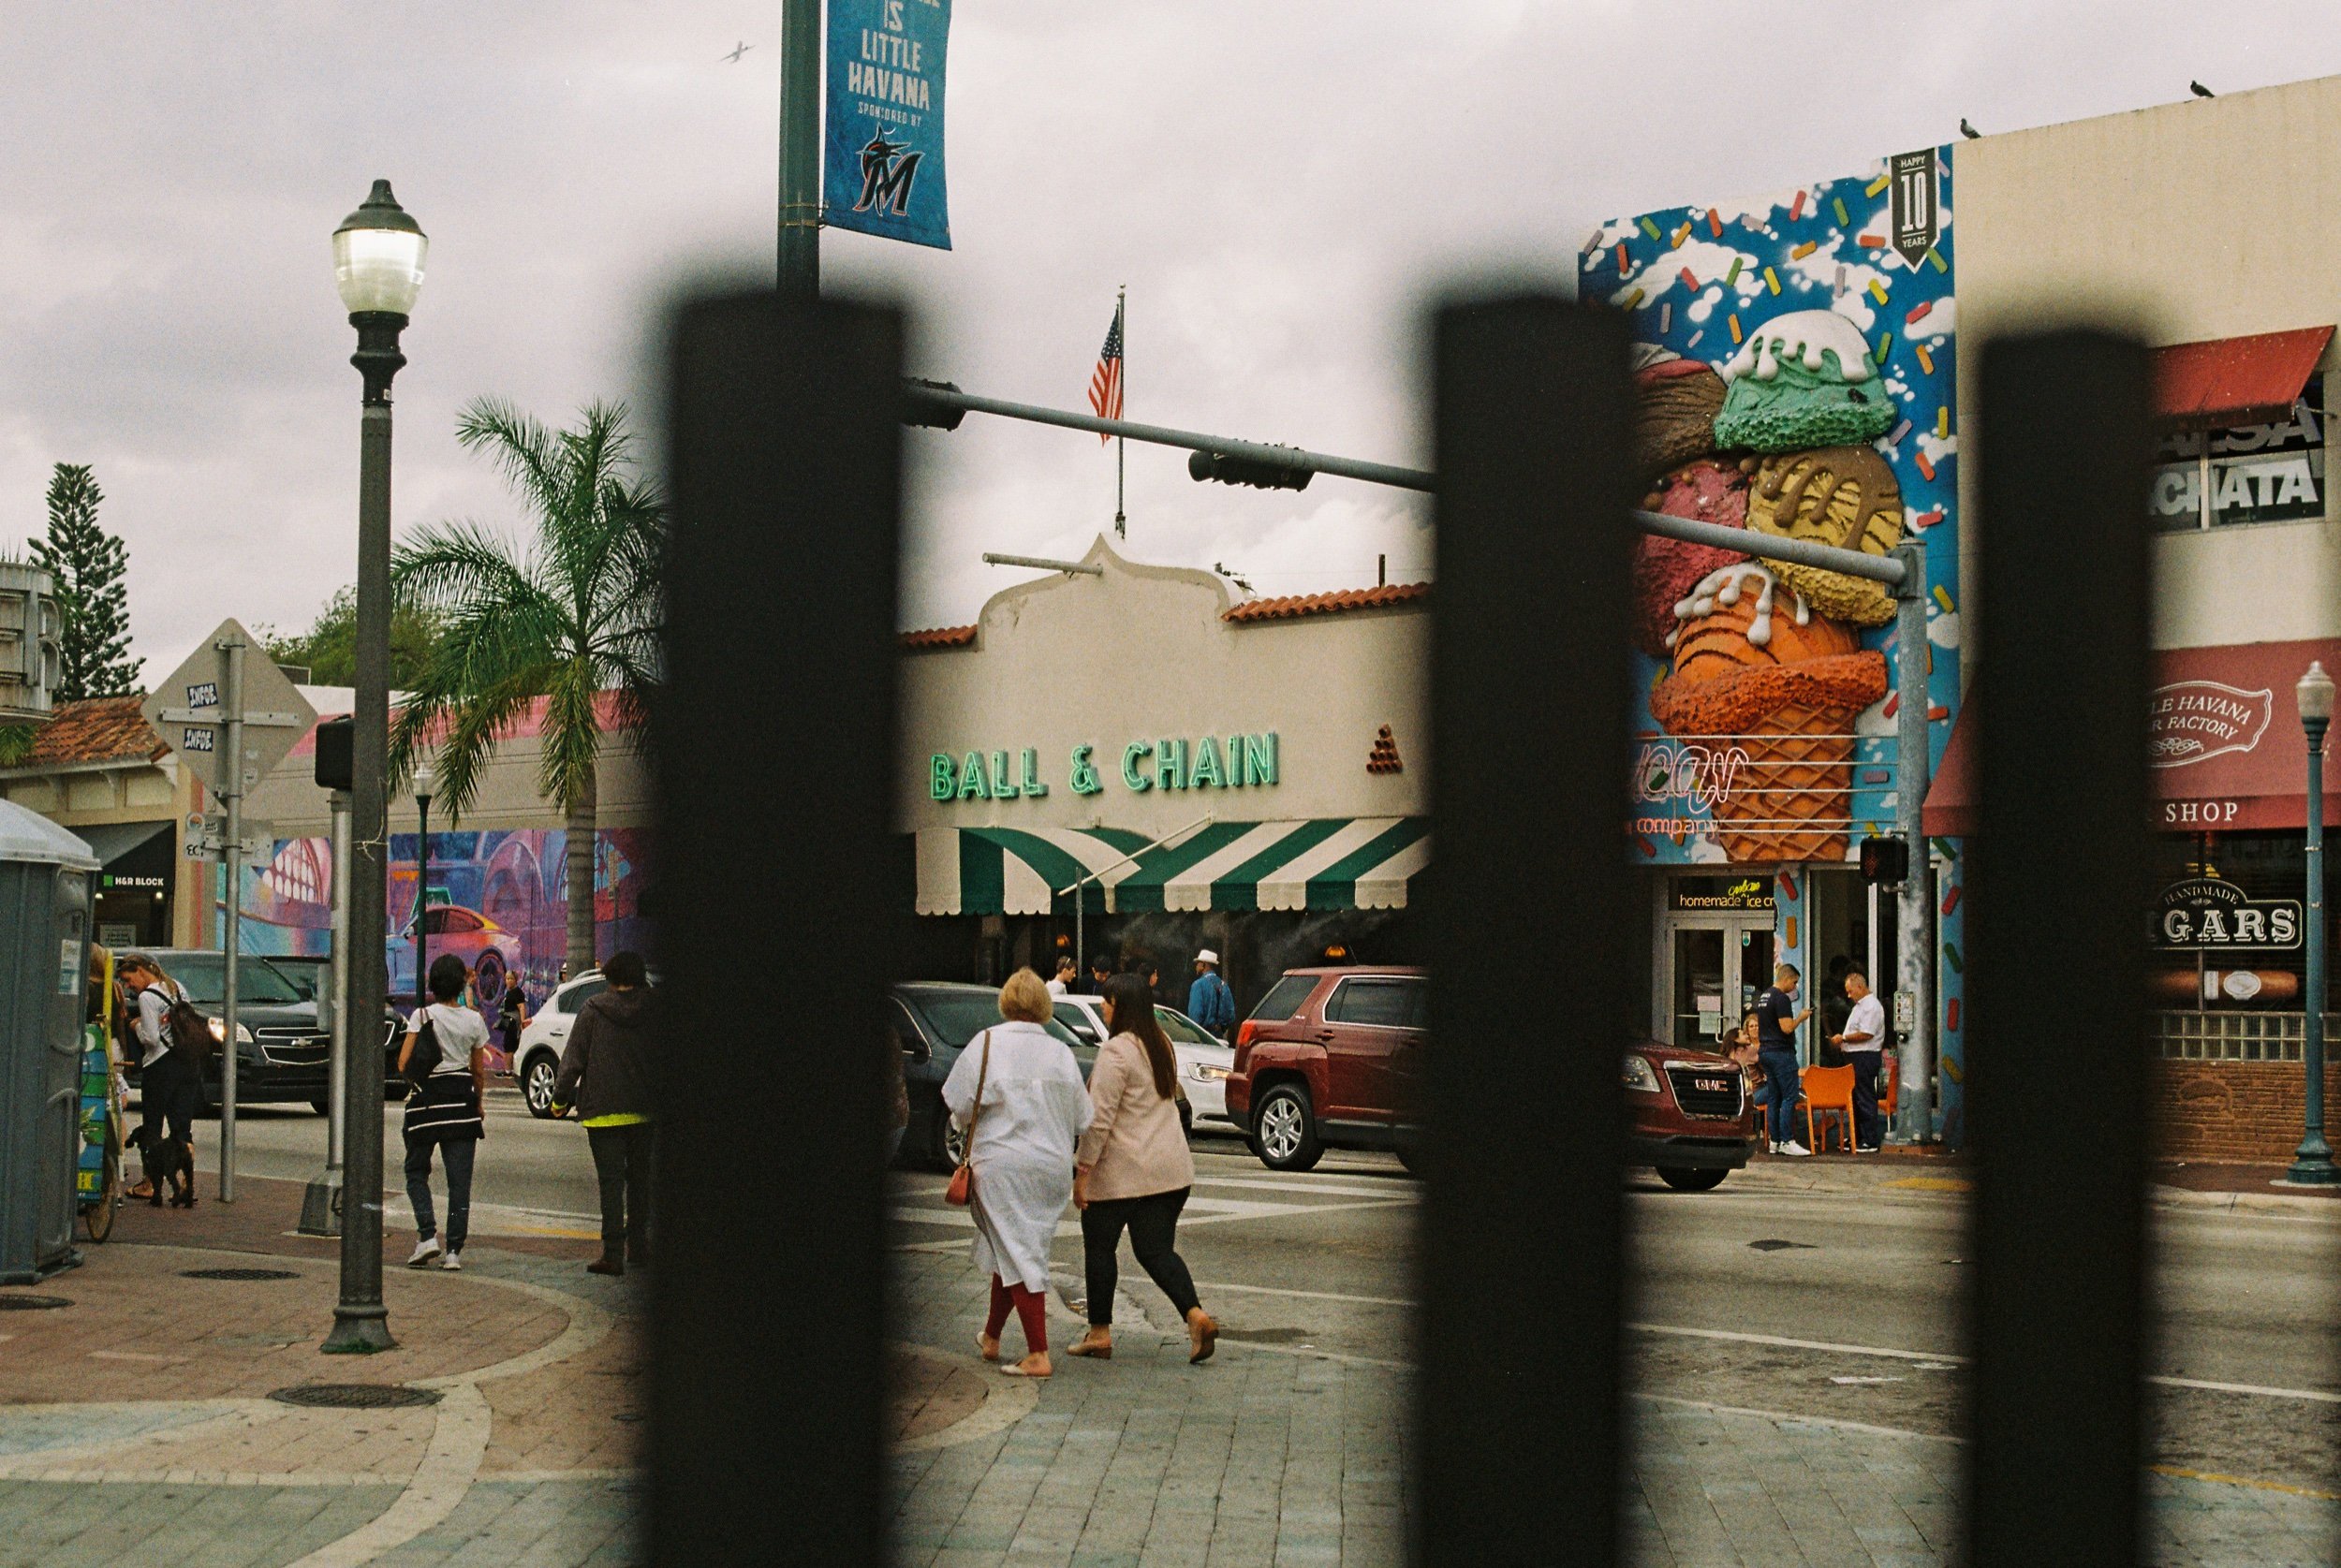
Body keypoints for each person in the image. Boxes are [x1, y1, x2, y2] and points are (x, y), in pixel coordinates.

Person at [942, 968, 1092, 1378]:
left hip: (1002, 1165)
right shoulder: (1062, 1053)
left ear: (1006, 1002)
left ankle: (1038, 1353)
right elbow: (1084, 1118)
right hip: (1050, 1169)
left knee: (1018, 1251)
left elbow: (957, 1103)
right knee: (1012, 1246)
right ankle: (991, 1337)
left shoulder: (986, 1043)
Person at [1067, 973, 1218, 1365]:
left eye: (1108, 1002)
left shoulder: (1117, 1051)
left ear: (1121, 1008)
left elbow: (1098, 1120)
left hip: (1123, 1173)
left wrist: (1082, 1172)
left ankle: (1099, 1334)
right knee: (1156, 1250)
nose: (1103, 1006)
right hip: (1169, 1171)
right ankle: (1195, 1315)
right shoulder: (1160, 1044)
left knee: (1099, 1247)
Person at [552, 950, 656, 1275]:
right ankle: (639, 1248)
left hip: (603, 1112)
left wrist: (559, 1100)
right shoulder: (654, 1009)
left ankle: (613, 1255)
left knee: (611, 1184)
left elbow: (573, 1060)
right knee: (640, 1181)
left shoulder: (593, 1010)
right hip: (644, 1110)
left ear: (609, 977)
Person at [402, 953, 490, 1271]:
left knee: (415, 1171)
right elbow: (478, 1072)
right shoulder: (474, 1021)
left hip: (427, 1105)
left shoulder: (421, 1016)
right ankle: (454, 1251)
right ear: (459, 983)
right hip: (461, 1106)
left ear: (432, 984)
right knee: (459, 1182)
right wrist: (477, 1103)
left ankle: (427, 1236)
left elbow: (403, 1063)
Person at [119, 953, 199, 1207]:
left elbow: (151, 1039)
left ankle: (150, 1184)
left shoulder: (147, 997)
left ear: (141, 971)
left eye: (128, 979)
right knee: (181, 1126)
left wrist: (136, 1027)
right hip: (186, 1062)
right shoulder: (178, 988)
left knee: (152, 1127)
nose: (128, 986)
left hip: (161, 1066)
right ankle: (187, 1184)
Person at [1754, 962, 1814, 1158]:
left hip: (1766, 1052)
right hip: (1781, 1052)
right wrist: (1802, 1017)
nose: (1795, 987)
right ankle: (1788, 1141)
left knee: (1774, 1097)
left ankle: (1774, 1141)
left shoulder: (1764, 996)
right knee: (1790, 1096)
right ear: (1786, 978)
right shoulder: (1781, 998)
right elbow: (1787, 1028)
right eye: (1794, 982)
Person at [1830, 967, 1889, 1153]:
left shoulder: (1872, 1006)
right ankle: (1858, 1136)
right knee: (1855, 1098)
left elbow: (1866, 1033)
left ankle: (1870, 1139)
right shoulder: (1860, 1006)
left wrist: (1844, 1038)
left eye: (1850, 991)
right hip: (1854, 1056)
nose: (1848, 995)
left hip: (1865, 1055)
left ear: (1861, 987)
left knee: (1864, 1097)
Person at [1185, 949, 1235, 1037]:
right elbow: (1230, 1016)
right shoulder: (1224, 985)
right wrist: (1221, 1027)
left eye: (1198, 963)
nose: (1196, 966)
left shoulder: (1198, 985)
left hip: (1201, 1036)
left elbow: (1195, 1016)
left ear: (1204, 964)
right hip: (1218, 1036)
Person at [496, 975, 530, 1068]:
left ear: (516, 980)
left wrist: (522, 1023)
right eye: (507, 979)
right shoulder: (509, 991)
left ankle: (508, 1070)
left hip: (513, 1022)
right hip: (509, 1021)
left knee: (510, 1046)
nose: (509, 981)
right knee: (508, 1045)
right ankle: (508, 1068)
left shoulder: (517, 992)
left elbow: (522, 1007)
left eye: (511, 979)